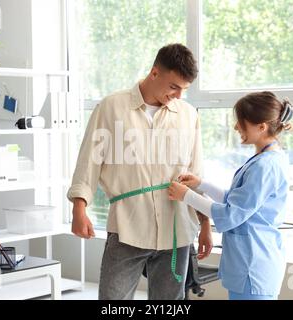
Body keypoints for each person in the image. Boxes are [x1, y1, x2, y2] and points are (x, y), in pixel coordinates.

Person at [67, 43, 213, 300]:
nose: (178, 95)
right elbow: (89, 161)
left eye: (184, 89)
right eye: (173, 86)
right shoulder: (111, 108)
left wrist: (205, 224)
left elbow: (195, 174)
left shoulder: (189, 116)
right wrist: (79, 208)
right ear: (154, 73)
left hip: (176, 230)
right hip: (127, 228)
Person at [168, 91, 293, 300]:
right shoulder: (267, 158)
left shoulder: (265, 165)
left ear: (261, 127)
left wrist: (187, 196)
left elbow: (230, 214)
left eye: (241, 123)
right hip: (250, 262)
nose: (236, 127)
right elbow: (237, 199)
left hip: (253, 266)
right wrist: (201, 184)